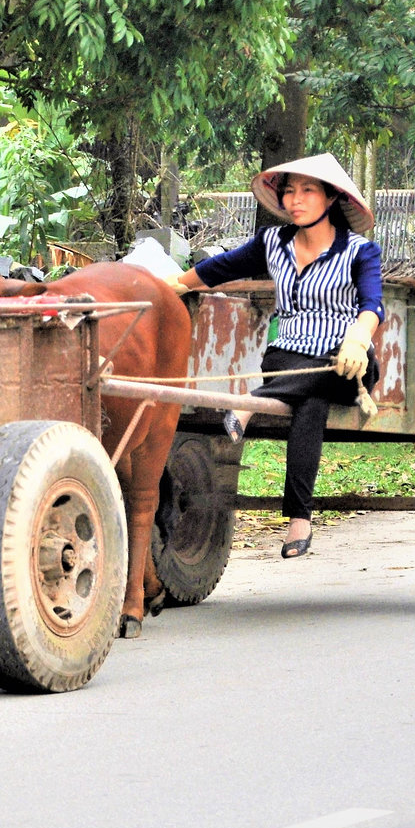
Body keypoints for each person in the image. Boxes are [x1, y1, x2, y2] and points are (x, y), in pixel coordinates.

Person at [167, 153, 382, 558]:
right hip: (287, 358)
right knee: (310, 404)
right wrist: (176, 285)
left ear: (331, 197)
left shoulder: (360, 251)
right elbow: (219, 269)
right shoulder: (273, 243)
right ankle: (300, 519)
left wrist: (359, 335)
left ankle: (248, 405)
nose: (294, 199)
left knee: (326, 379)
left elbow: (373, 304)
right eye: (289, 191)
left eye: (306, 190)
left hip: (344, 364)